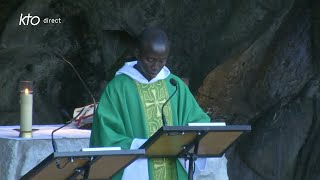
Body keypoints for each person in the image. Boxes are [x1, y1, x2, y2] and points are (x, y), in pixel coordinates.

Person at [90, 27, 211, 180]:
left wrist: (192, 137)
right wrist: (143, 146)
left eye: (162, 61)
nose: (156, 67)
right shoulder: (118, 88)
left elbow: (198, 122)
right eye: (150, 60)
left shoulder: (174, 85)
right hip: (136, 169)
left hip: (173, 168)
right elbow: (106, 136)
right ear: (137, 53)